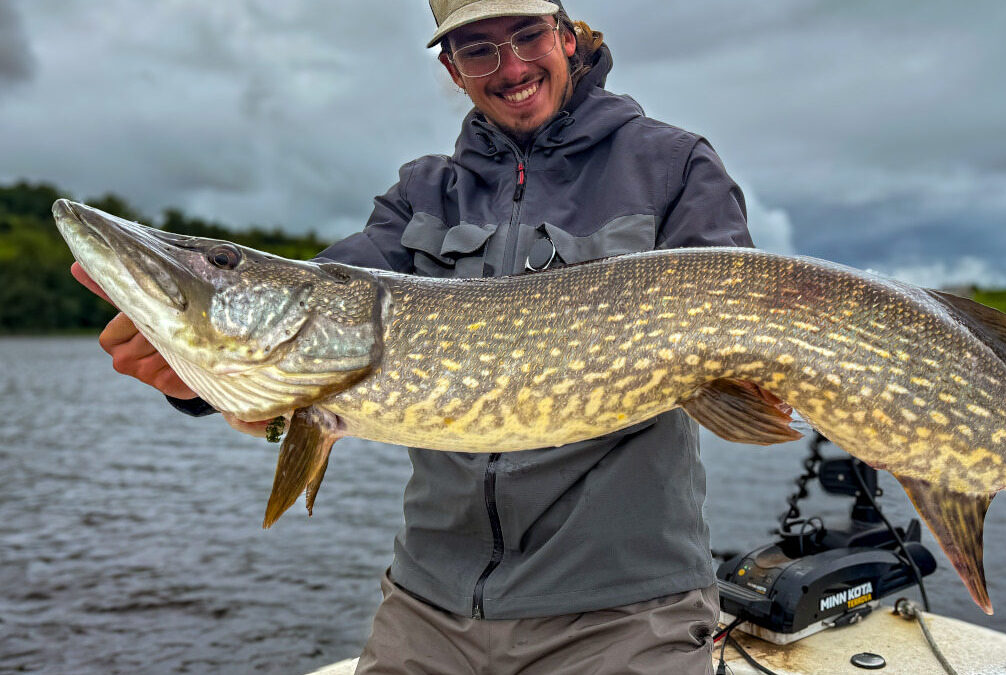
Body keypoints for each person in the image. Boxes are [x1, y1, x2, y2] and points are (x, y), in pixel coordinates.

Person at [72, 0, 754, 672]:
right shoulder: (423, 195)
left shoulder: (671, 166)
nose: (512, 66)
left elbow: (741, 323)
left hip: (624, 612)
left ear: (567, 36)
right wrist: (194, 378)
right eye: (478, 49)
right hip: (431, 610)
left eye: (527, 35)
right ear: (453, 69)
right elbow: (320, 314)